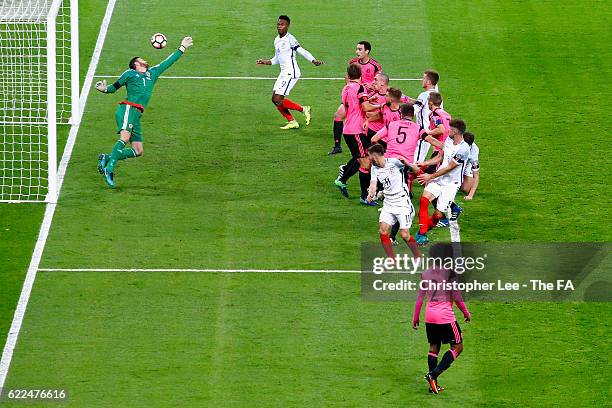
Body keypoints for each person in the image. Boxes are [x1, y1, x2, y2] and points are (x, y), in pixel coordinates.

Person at [95, 36, 193, 188]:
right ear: (136, 64)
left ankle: (107, 158)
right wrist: (104, 89)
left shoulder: (152, 73)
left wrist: (182, 48)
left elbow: (168, 62)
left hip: (137, 114)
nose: (145, 61)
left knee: (138, 150)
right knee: (125, 137)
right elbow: (114, 87)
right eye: (141, 59)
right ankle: (109, 168)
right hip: (128, 108)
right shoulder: (129, 74)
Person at [412, 243, 471, 394]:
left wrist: (415, 317)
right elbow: (457, 297)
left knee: (434, 348)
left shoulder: (425, 273)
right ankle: (433, 375)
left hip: (430, 317)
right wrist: (465, 312)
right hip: (445, 317)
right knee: (458, 347)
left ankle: (433, 386)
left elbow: (420, 297)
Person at [256, 15, 323, 129]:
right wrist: (266, 62)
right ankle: (292, 122)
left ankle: (303, 109)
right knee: (274, 99)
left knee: (278, 99)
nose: (279, 26)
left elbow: (302, 51)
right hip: (284, 72)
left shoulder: (290, 39)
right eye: (278, 24)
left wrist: (313, 60)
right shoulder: (277, 40)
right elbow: (277, 58)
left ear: (288, 26)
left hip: (291, 73)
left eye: (282, 24)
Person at [414, 119, 470, 246]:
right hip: (439, 178)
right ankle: (422, 235)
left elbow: (449, 167)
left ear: (455, 131)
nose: (447, 130)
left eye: (450, 129)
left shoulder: (463, 149)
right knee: (424, 200)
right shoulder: (449, 140)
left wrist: (430, 176)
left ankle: (422, 232)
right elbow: (441, 157)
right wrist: (425, 163)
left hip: (451, 184)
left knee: (438, 216)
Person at [366, 144, 420, 259]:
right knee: (383, 230)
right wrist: (370, 193)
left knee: (405, 235)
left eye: (370, 157)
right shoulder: (374, 168)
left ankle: (417, 256)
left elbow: (416, 170)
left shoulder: (395, 163)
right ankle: (392, 259)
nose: (369, 159)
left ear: (375, 156)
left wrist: (406, 162)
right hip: (388, 203)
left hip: (402, 202)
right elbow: (373, 184)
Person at [329, 41, 382, 154]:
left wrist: (371, 86)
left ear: (367, 51)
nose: (357, 51)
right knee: (338, 114)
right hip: (354, 96)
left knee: (371, 118)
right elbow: (347, 78)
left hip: (369, 96)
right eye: (357, 49)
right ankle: (337, 145)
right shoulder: (353, 62)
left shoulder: (374, 65)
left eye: (360, 49)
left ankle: (372, 144)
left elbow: (379, 80)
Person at [333, 64, 375, 204]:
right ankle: (365, 196)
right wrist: (381, 106)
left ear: (349, 76)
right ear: (361, 74)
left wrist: (370, 100)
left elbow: (354, 104)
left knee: (360, 158)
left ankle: (342, 178)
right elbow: (365, 107)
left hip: (348, 129)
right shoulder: (360, 88)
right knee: (365, 163)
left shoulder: (346, 88)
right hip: (357, 130)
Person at [411, 70, 441, 163]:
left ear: (428, 82)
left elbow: (414, 110)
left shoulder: (424, 95)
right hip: (432, 134)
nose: (422, 80)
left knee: (415, 164)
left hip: (422, 135)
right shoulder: (437, 96)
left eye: (423, 78)